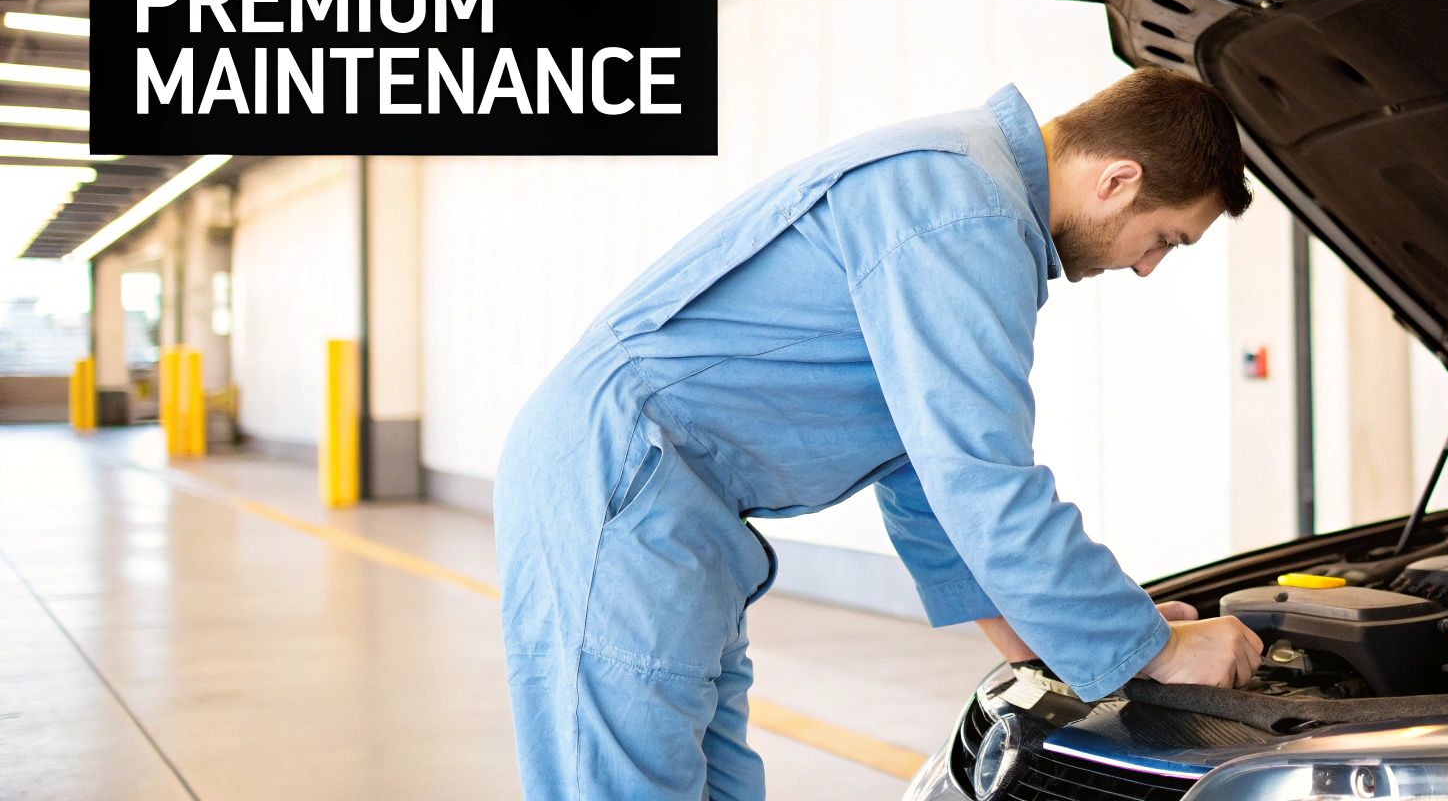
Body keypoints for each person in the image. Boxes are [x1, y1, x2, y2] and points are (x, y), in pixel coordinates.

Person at [494, 67, 1266, 799]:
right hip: (620, 479)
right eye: (1166, 238)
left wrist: (1056, 639)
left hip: (670, 501)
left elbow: (924, 476)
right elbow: (982, 478)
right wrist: (1156, 649)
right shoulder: (964, 208)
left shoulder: (965, 196)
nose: (1148, 267)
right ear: (1118, 180)